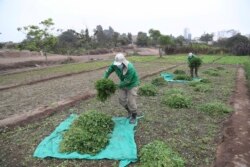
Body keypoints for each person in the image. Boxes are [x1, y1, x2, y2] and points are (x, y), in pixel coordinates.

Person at [104, 53, 140, 124]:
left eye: (119, 64)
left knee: (131, 101)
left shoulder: (130, 68)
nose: (117, 65)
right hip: (123, 83)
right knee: (121, 100)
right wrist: (104, 79)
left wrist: (116, 86)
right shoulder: (115, 65)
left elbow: (127, 81)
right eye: (117, 64)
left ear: (123, 62)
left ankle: (134, 115)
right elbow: (108, 71)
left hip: (132, 84)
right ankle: (129, 111)